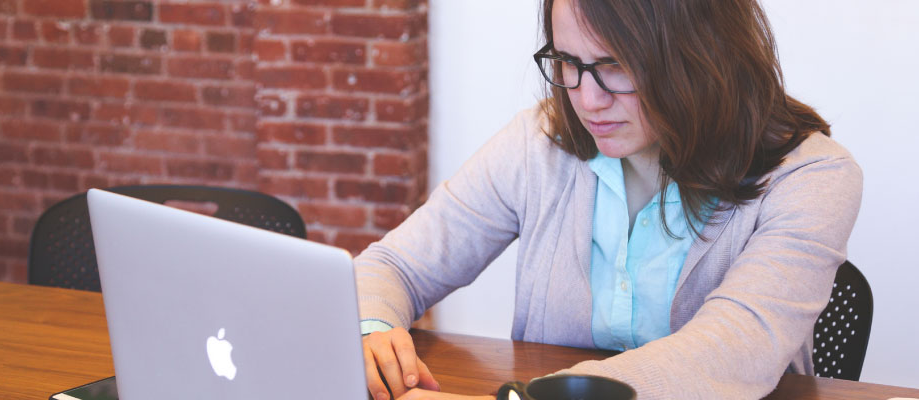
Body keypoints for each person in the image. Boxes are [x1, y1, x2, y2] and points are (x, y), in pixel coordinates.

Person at [354, 0, 862, 398]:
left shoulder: (813, 176)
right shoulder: (537, 145)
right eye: (567, 61)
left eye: (615, 65)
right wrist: (372, 329)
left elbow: (730, 356)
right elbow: (394, 264)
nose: (586, 99)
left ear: (701, 53)